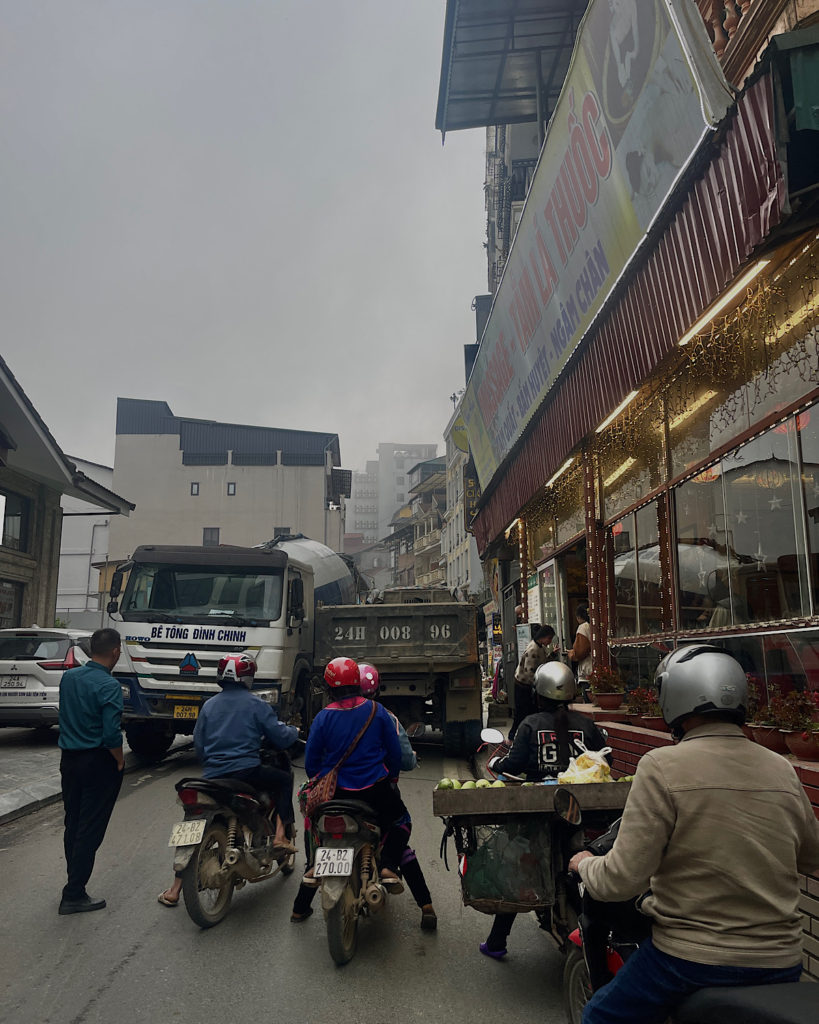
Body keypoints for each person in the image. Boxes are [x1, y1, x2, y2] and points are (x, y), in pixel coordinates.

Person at [568, 644, 819, 1024]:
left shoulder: (661, 766)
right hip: (780, 962)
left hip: (691, 960)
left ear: (673, 698)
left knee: (598, 1017)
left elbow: (621, 880)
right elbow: (811, 856)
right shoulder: (781, 768)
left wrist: (586, 864)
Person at [291, 662, 437, 929]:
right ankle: (389, 867)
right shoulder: (377, 711)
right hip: (374, 791)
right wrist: (389, 779)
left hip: (333, 794)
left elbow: (311, 764)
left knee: (312, 825)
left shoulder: (323, 716)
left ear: (328, 687)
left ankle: (311, 870)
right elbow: (394, 756)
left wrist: (324, 777)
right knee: (402, 821)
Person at [480, 661, 608, 958]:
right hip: (582, 814)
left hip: (539, 814)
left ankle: (498, 942)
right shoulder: (587, 726)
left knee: (519, 869)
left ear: (538, 694)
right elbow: (606, 761)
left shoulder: (530, 724)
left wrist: (498, 763)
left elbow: (513, 765)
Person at [158, 652, 298, 907]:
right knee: (284, 779)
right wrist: (293, 731)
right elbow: (280, 736)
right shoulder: (256, 704)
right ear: (247, 677)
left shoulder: (209, 706)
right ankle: (279, 835)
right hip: (246, 773)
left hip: (212, 777)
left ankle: (175, 888)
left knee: (191, 824)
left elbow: (199, 745)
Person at [58, 627, 125, 915]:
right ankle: (74, 893)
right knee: (90, 827)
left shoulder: (69, 678)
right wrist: (120, 760)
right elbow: (111, 734)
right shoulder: (109, 686)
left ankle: (73, 882)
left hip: (69, 759)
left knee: (72, 822)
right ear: (115, 652)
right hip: (98, 761)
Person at [510, 624, 556, 741]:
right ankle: (512, 738)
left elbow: (543, 663)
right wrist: (539, 687)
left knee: (530, 712)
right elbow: (529, 671)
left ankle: (526, 737)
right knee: (521, 713)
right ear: (544, 636)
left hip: (528, 685)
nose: (549, 642)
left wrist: (553, 654)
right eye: (549, 638)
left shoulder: (539, 647)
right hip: (523, 685)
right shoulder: (533, 649)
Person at [567, 603, 592, 701]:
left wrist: (572, 654)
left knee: (589, 700)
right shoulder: (595, 625)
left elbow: (580, 652)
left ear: (578, 616)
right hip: (596, 670)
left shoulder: (583, 627)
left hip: (587, 670)